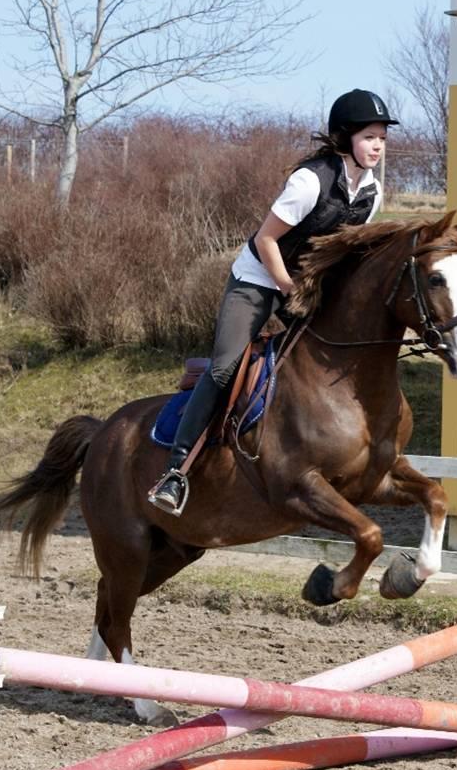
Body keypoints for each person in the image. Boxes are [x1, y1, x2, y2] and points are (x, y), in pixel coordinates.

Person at [148, 88, 399, 515]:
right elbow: (266, 239)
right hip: (258, 279)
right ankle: (175, 472)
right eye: (368, 137)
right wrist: (287, 287)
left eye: (381, 138)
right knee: (227, 366)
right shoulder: (310, 181)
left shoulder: (370, 191)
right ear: (344, 138)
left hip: (304, 284)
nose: (377, 146)